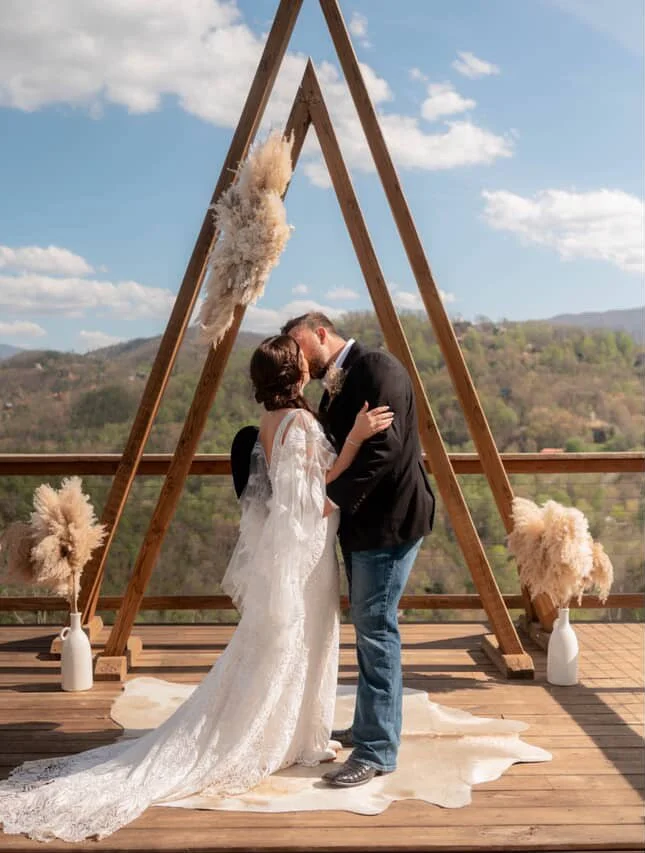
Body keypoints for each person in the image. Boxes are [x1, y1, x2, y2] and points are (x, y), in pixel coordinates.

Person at [0, 335, 393, 843]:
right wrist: (358, 438)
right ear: (295, 378)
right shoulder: (295, 425)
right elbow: (313, 503)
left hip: (300, 556)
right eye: (301, 366)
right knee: (301, 644)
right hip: (306, 558)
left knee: (299, 647)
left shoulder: (273, 423)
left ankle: (301, 737)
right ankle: (283, 739)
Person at [282, 312, 435, 788]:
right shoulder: (336, 381)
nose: (296, 356)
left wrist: (329, 500)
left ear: (322, 334)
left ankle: (377, 750)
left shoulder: (379, 368)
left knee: (376, 632)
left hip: (389, 525)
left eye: (299, 345)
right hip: (363, 526)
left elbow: (382, 452)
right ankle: (369, 728)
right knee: (369, 626)